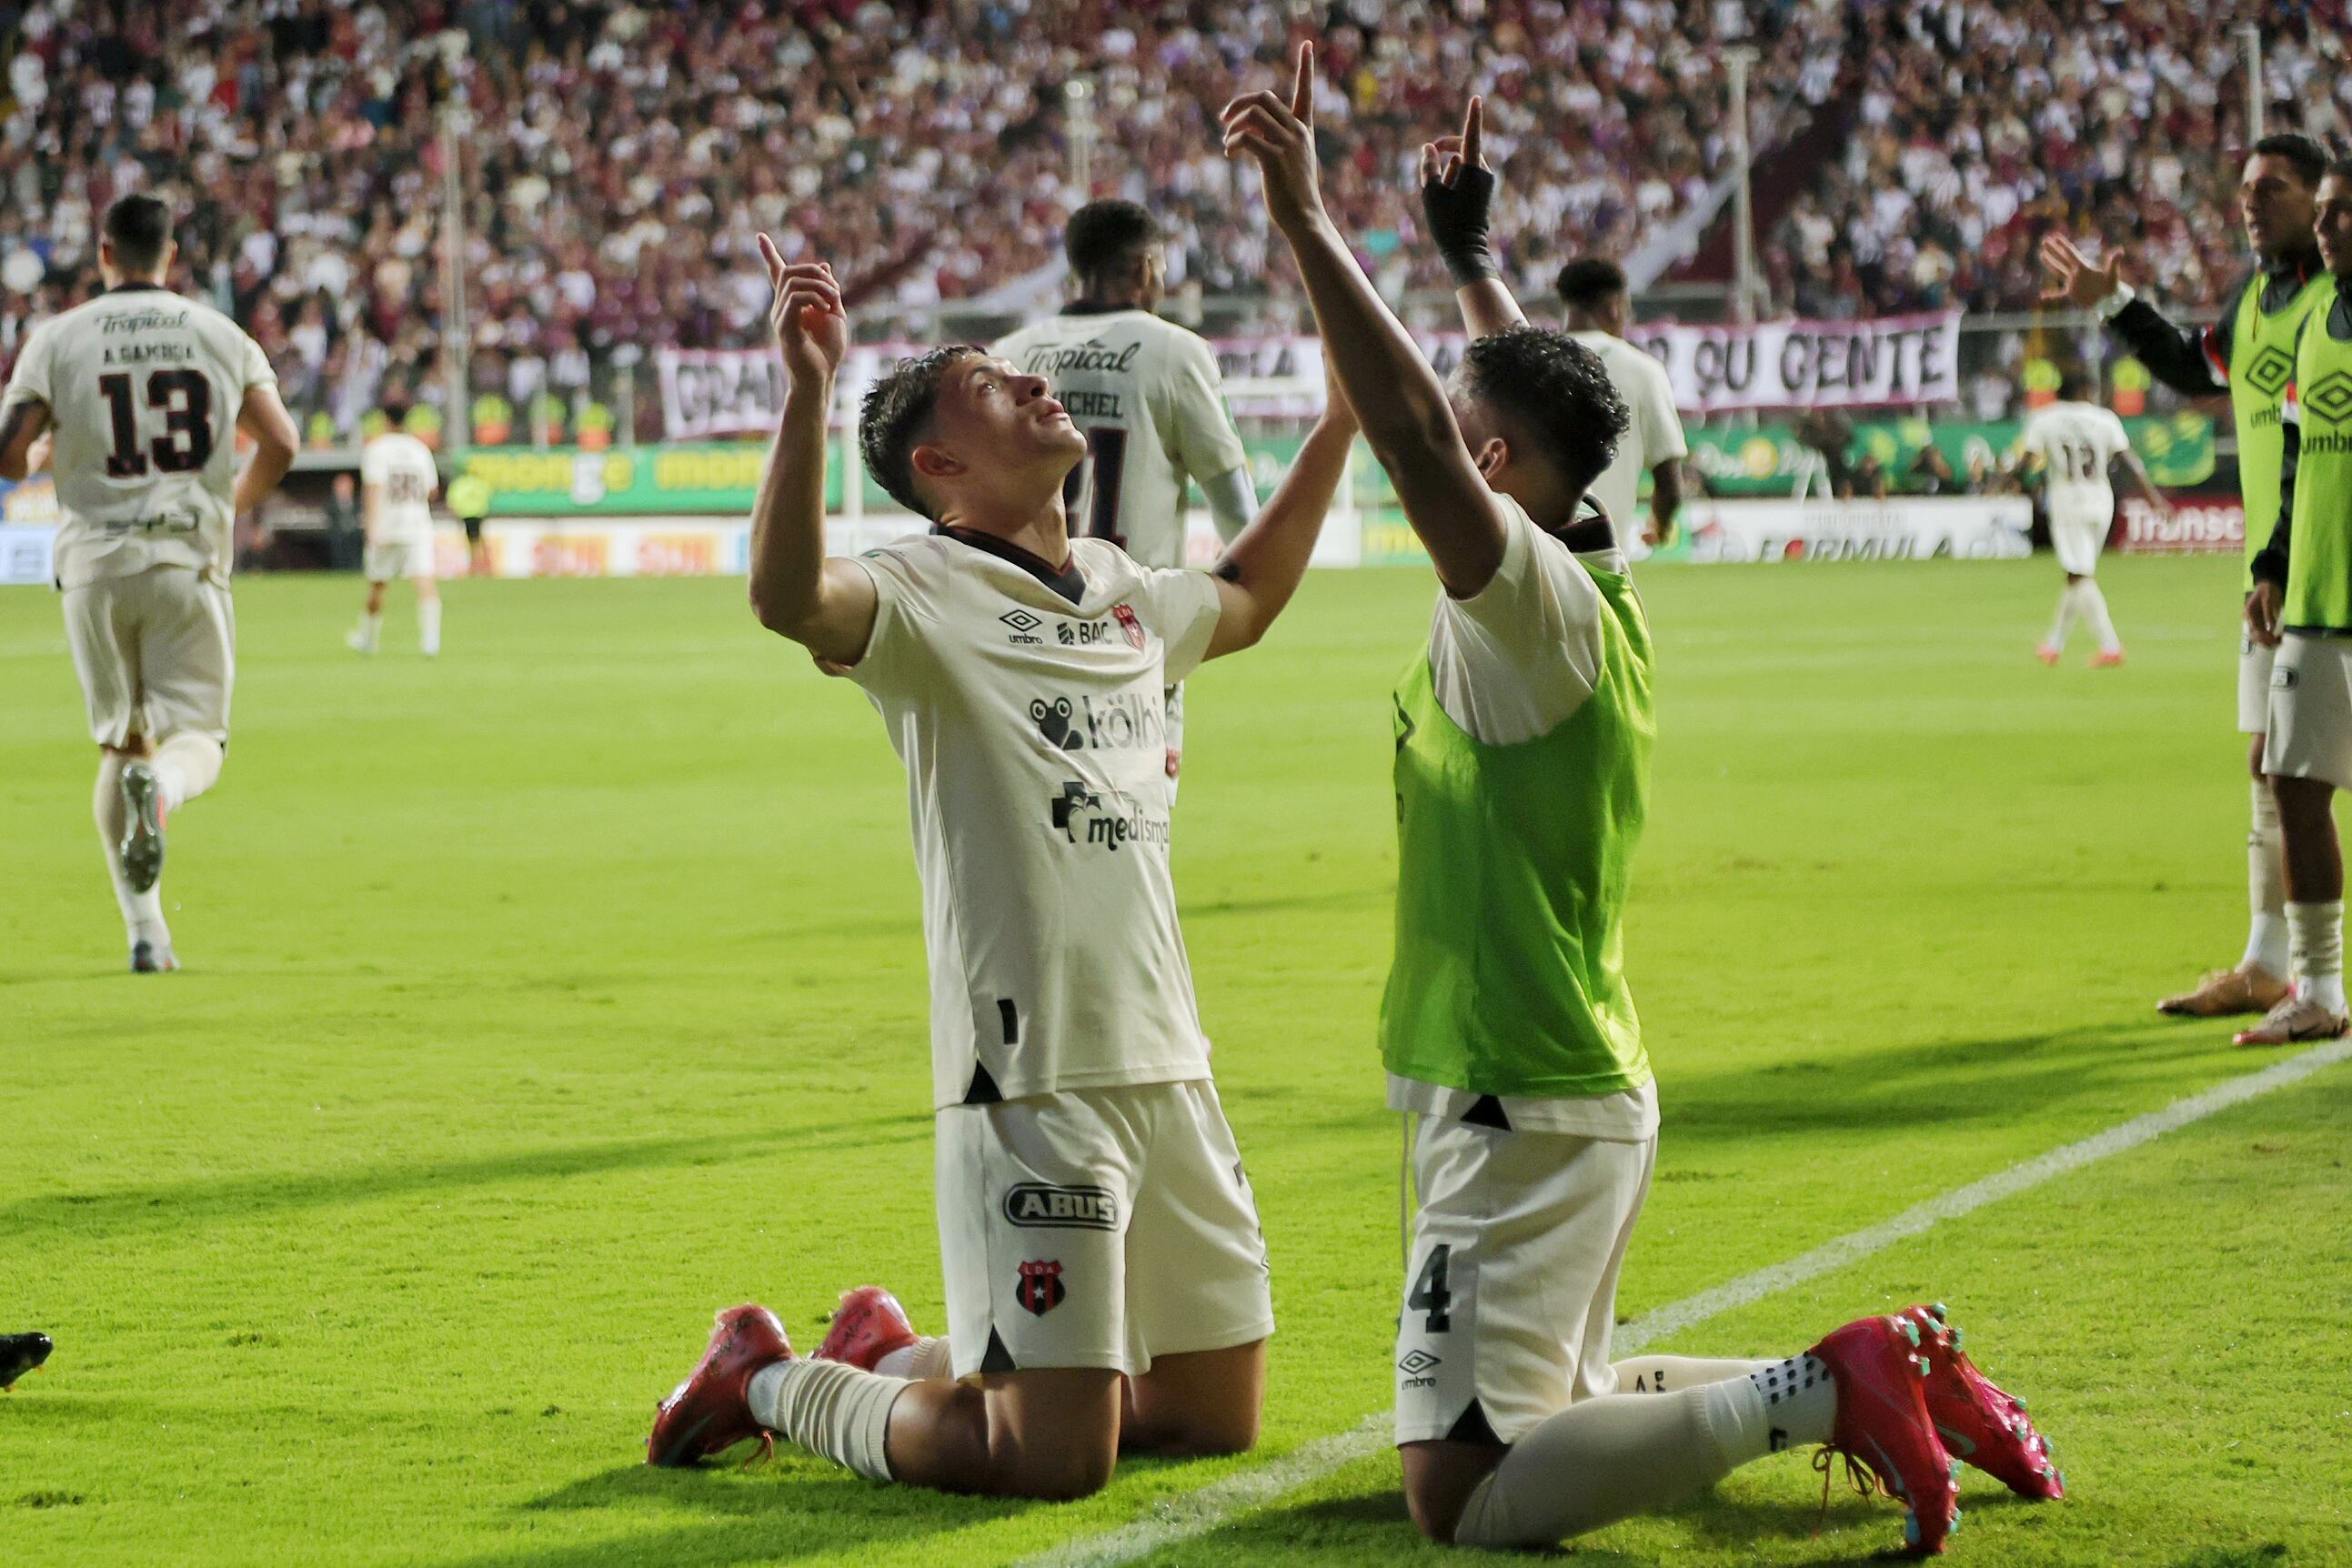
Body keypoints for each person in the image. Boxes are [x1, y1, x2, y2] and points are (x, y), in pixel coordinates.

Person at [1224, 61, 2058, 1554]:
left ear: (1491, 472)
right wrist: (1472, 260)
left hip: (1519, 1086)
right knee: (1578, 1394)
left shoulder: (1525, 608)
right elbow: (1521, 409)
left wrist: (1302, 217)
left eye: (1469, 446)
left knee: (1466, 1490)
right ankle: (1889, 1374)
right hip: (1543, 1073)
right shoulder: (1590, 557)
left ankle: (1822, 1388)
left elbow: (1426, 430)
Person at [643, 231, 1358, 1501]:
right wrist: (807, 395)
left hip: (1168, 1056)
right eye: (994, 388)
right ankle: (760, 1377)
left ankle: (896, 1350)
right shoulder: (920, 596)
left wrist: (1346, 420)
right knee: (1049, 1462)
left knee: (1208, 1417)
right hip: (1030, 1079)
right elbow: (786, 595)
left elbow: (1245, 594)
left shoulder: (1120, 587)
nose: (1037, 388)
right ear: (940, 466)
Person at [2044, 133, 2335, 1020]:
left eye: (2275, 189)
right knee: (2268, 763)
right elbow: (2191, 363)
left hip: (2323, 566)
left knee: (2294, 769)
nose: (2251, 203)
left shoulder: (2337, 300)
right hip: (2277, 570)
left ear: (2321, 204)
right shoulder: (2260, 299)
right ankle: (2267, 960)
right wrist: (2115, 304)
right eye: (2247, 189)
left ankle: (2311, 977)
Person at [0, 194, 297, 973]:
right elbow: (282, 442)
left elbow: (10, 451)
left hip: (93, 566)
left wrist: (41, 456)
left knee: (117, 742)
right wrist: (228, 503)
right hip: (187, 557)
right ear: (172, 254)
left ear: (104, 253)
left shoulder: (56, 338)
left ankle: (147, 935)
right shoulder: (217, 333)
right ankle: (162, 789)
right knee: (197, 739)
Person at [995, 200, 1260, 789]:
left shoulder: (1009, 355)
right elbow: (1241, 518)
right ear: (1145, 268)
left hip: (1019, 638)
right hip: (1132, 640)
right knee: (1130, 841)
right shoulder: (1175, 351)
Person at [2240, 156, 2352, 1048]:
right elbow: (2292, 456)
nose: (2328, 225)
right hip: (2317, 594)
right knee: (2291, 781)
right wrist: (2274, 563)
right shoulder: (2316, 323)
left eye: (2344, 213)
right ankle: (2318, 985)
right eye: (2324, 213)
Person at [2019, 368, 2171, 667]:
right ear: (2087, 390)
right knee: (2077, 572)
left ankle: (2110, 646)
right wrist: (2154, 498)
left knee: (2079, 575)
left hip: (2068, 502)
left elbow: (2027, 459)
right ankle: (2054, 643)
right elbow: (2129, 461)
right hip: (2101, 502)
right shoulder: (2104, 419)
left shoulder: (2044, 418)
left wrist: (2006, 481)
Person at [1553, 257, 1686, 548]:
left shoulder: (1531, 365)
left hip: (1535, 558)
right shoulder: (1642, 371)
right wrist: (1661, 524)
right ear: (1614, 307)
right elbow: (1670, 484)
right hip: (1603, 560)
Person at [347, 399, 442, 656]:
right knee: (424, 579)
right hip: (417, 523)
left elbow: (374, 488)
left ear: (386, 420)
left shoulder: (377, 449)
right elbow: (432, 489)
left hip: (387, 525)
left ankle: (368, 638)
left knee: (378, 584)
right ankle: (431, 640)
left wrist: (371, 527)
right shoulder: (419, 449)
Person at [447, 466, 493, 577]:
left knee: (474, 543)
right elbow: (487, 497)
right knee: (480, 540)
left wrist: (455, 511)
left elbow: (453, 499)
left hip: (467, 514)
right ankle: (487, 566)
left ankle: (475, 568)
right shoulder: (480, 483)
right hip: (479, 514)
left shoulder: (460, 484)